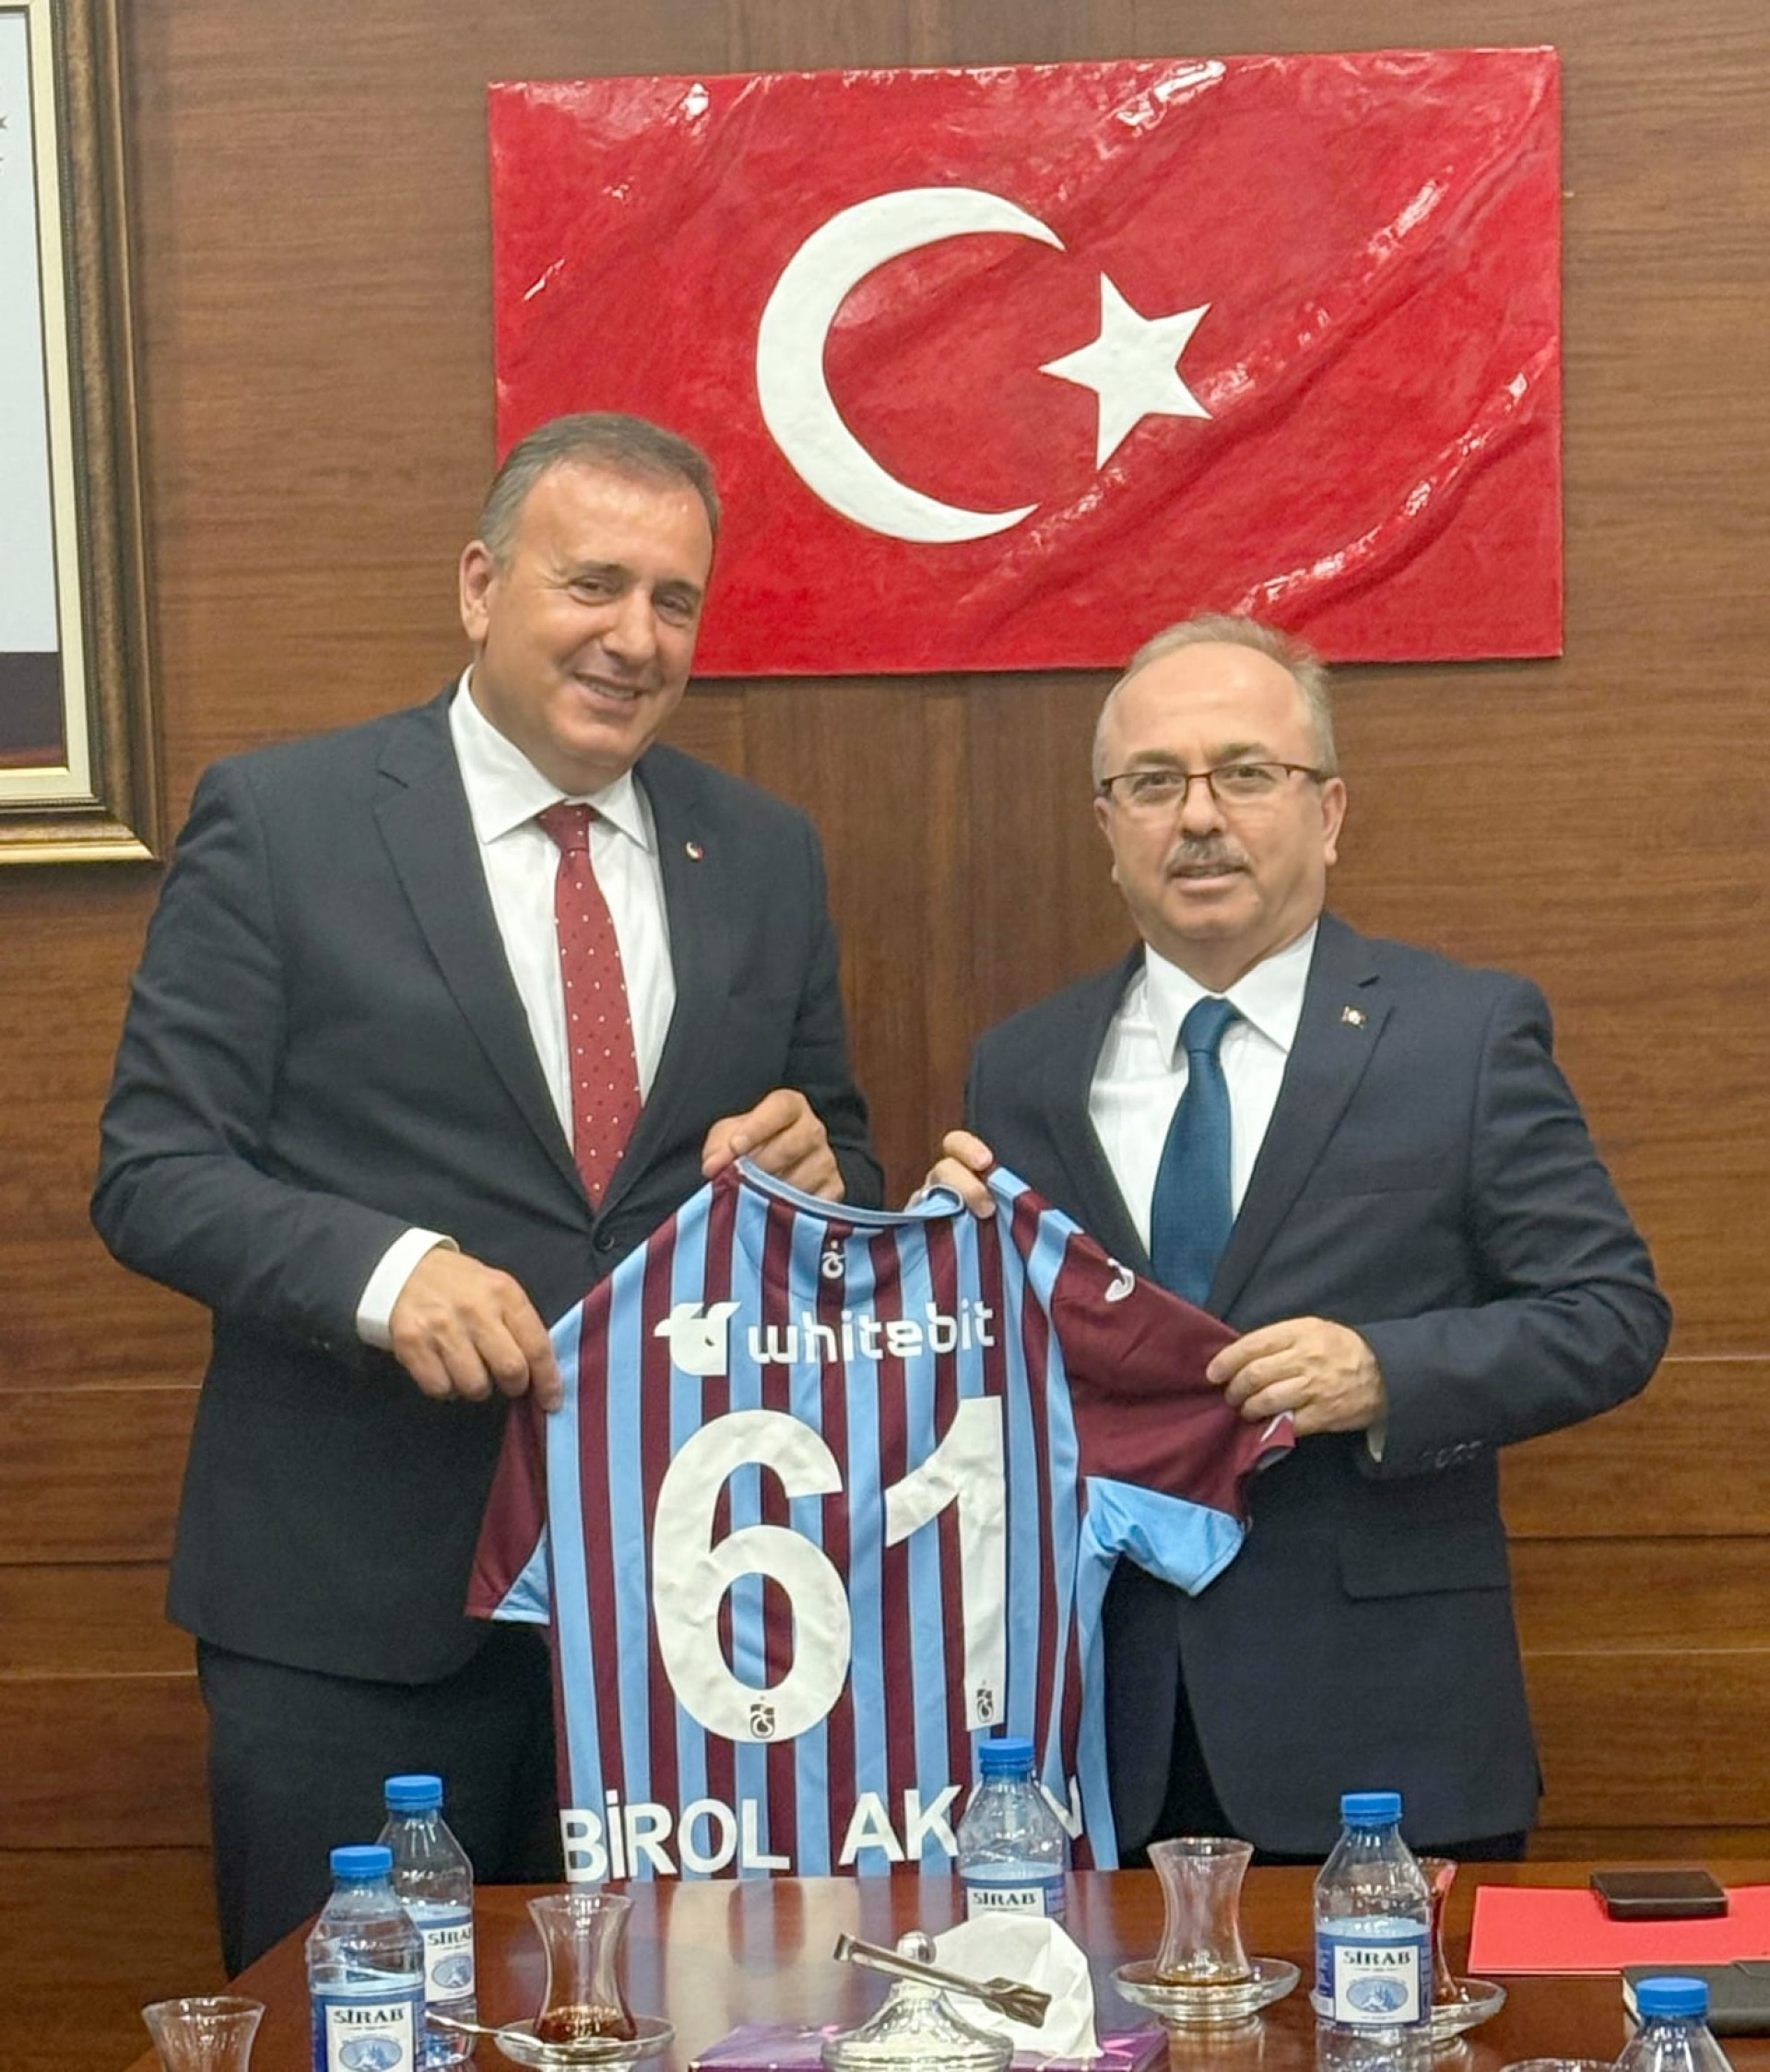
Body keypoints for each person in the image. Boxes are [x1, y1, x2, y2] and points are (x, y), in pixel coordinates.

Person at [92, 413, 880, 1970]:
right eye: (593, 584)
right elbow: (155, 1169)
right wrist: (387, 1277)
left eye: (673, 600)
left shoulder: (764, 854)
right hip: (355, 1618)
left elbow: (840, 1155)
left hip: (676, 1628)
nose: (635, 638)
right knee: (360, 2038)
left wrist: (824, 1171)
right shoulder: (287, 824)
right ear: (478, 585)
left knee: (660, 2030)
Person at [930, 613, 1670, 1863]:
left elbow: (1611, 1315)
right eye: (1153, 783)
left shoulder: (1462, 1036)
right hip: (1100, 1736)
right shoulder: (1024, 1067)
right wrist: (937, 1266)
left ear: (1327, 812)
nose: (1198, 817)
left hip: (1384, 1738)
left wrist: (1385, 1372)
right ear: (1107, 829)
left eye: (1245, 773)